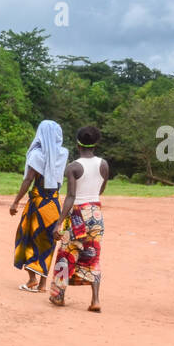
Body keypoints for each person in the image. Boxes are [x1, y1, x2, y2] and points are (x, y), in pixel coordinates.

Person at [49, 126, 108, 311]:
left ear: (77, 143)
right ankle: (95, 300)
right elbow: (101, 189)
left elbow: (71, 196)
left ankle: (59, 296)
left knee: (66, 252)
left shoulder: (73, 167)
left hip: (77, 215)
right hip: (96, 213)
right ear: (96, 143)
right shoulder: (104, 164)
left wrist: (59, 223)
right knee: (93, 254)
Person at [10, 120, 68, 292]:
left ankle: (31, 279)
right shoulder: (63, 153)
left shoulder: (37, 154)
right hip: (54, 204)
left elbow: (28, 180)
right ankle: (42, 284)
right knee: (48, 241)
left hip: (38, 203)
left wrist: (15, 202)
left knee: (27, 237)